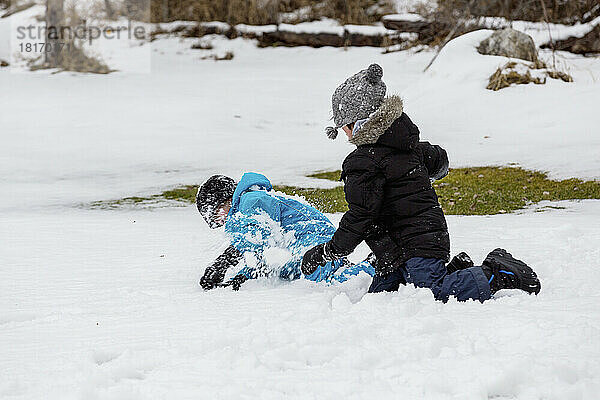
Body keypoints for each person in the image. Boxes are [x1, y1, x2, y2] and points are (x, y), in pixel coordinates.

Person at [301, 64, 541, 302]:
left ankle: (497, 272)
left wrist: (329, 252)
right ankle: (458, 269)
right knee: (382, 295)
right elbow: (439, 159)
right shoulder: (406, 145)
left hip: (419, 242)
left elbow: (361, 216)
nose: (346, 134)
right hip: (396, 250)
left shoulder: (362, 163)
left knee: (432, 292)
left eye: (345, 128)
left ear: (359, 124)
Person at [196, 172, 375, 290]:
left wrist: (223, 262)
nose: (219, 223)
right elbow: (261, 254)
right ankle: (342, 267)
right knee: (284, 272)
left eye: (215, 217)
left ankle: (369, 267)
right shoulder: (243, 213)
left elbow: (256, 235)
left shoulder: (251, 200)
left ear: (225, 199)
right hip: (298, 248)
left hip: (315, 240)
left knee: (320, 280)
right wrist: (244, 275)